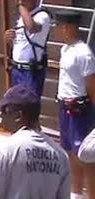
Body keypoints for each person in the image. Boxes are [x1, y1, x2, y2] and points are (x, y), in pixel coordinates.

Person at [0, 85, 69, 199]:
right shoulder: (61, 155)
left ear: (18, 116)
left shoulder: (5, 151)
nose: (0, 116)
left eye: (4, 110)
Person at [55, 10, 95, 199]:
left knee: (86, 155)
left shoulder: (83, 53)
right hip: (65, 107)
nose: (58, 31)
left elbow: (91, 86)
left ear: (68, 27)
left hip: (81, 110)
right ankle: (75, 193)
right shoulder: (65, 49)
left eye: (60, 27)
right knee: (70, 151)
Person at [4, 0, 51, 98]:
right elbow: (23, 43)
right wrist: (9, 39)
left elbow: (32, 28)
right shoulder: (23, 16)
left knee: (28, 105)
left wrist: (20, 4)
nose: (22, 1)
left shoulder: (42, 16)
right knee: (17, 104)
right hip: (17, 69)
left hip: (30, 71)